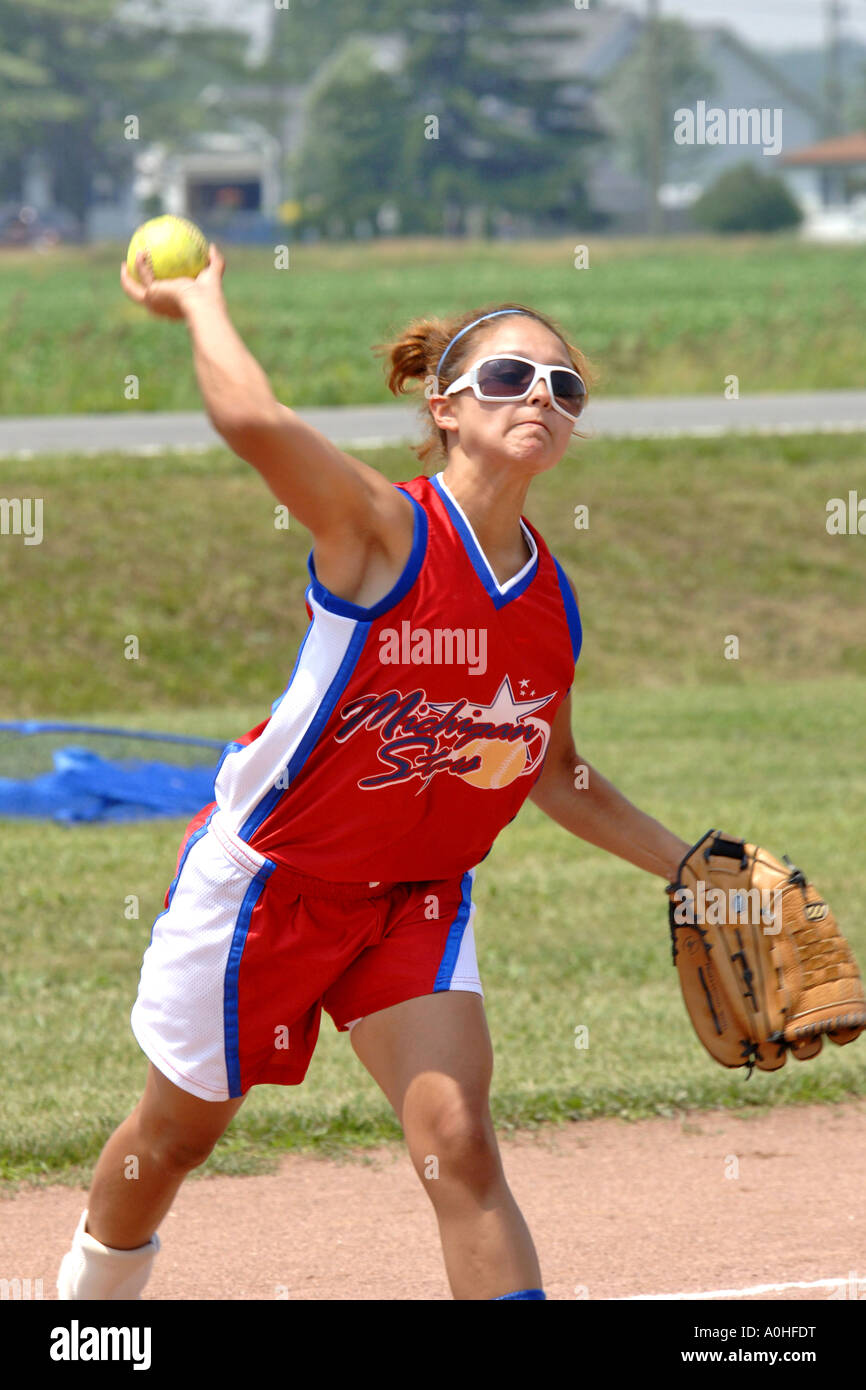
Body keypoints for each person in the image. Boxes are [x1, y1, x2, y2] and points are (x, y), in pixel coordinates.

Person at [57, 244, 690, 1302]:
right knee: (170, 1141)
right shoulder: (385, 530)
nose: (540, 395)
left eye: (562, 385)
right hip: (269, 889)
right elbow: (255, 425)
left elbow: (554, 771)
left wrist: (692, 867)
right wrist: (202, 301)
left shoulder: (548, 600)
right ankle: (83, 1311)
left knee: (460, 1142)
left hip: (413, 900)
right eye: (506, 376)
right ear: (444, 405)